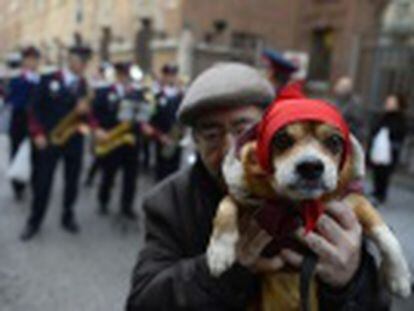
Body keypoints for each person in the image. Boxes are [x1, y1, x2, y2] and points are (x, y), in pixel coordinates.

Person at [125, 63, 384, 310]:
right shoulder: (169, 201)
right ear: (195, 142)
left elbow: (381, 301)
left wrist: (351, 280)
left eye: (244, 130)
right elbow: (142, 301)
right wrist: (223, 271)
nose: (229, 148)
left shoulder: (330, 192)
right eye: (211, 136)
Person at [21, 46, 93, 241]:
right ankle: (34, 221)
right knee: (43, 183)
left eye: (86, 62)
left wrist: (86, 114)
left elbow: (89, 117)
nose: (84, 65)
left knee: (72, 182)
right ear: (70, 60)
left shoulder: (84, 85)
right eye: (81, 61)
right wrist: (37, 133)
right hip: (50, 139)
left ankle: (67, 215)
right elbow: (33, 109)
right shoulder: (48, 79)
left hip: (74, 141)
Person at [92, 61, 143, 219]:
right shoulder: (104, 92)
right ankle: (103, 201)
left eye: (127, 75)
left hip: (130, 141)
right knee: (109, 173)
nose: (125, 78)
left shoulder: (137, 94)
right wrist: (97, 129)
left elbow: (144, 115)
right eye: (122, 75)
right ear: (117, 75)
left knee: (131, 176)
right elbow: (94, 114)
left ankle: (126, 206)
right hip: (111, 139)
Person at [6, 46, 41, 201]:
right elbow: (11, 100)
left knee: (36, 154)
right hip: (20, 120)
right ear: (24, 61)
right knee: (16, 151)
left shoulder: (41, 80)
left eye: (35, 59)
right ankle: (18, 186)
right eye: (29, 59)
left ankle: (34, 183)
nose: (33, 62)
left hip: (37, 120)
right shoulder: (16, 79)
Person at [368, 94, 408, 205]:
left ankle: (381, 194)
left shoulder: (400, 119)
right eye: (388, 101)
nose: (389, 104)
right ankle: (375, 191)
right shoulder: (382, 116)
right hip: (378, 148)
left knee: (384, 173)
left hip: (389, 150)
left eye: (392, 102)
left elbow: (399, 133)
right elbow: (375, 128)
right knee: (376, 170)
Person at [151, 64, 184, 182]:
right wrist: (160, 135)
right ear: (163, 77)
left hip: (176, 137)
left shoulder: (181, 96)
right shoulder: (157, 96)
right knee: (161, 172)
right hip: (162, 138)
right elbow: (152, 119)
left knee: (175, 171)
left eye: (173, 75)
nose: (170, 78)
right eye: (168, 75)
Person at [333, 76, 366, 144]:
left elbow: (358, 125)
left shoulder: (355, 104)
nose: (336, 87)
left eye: (341, 86)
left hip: (350, 139)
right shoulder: (337, 101)